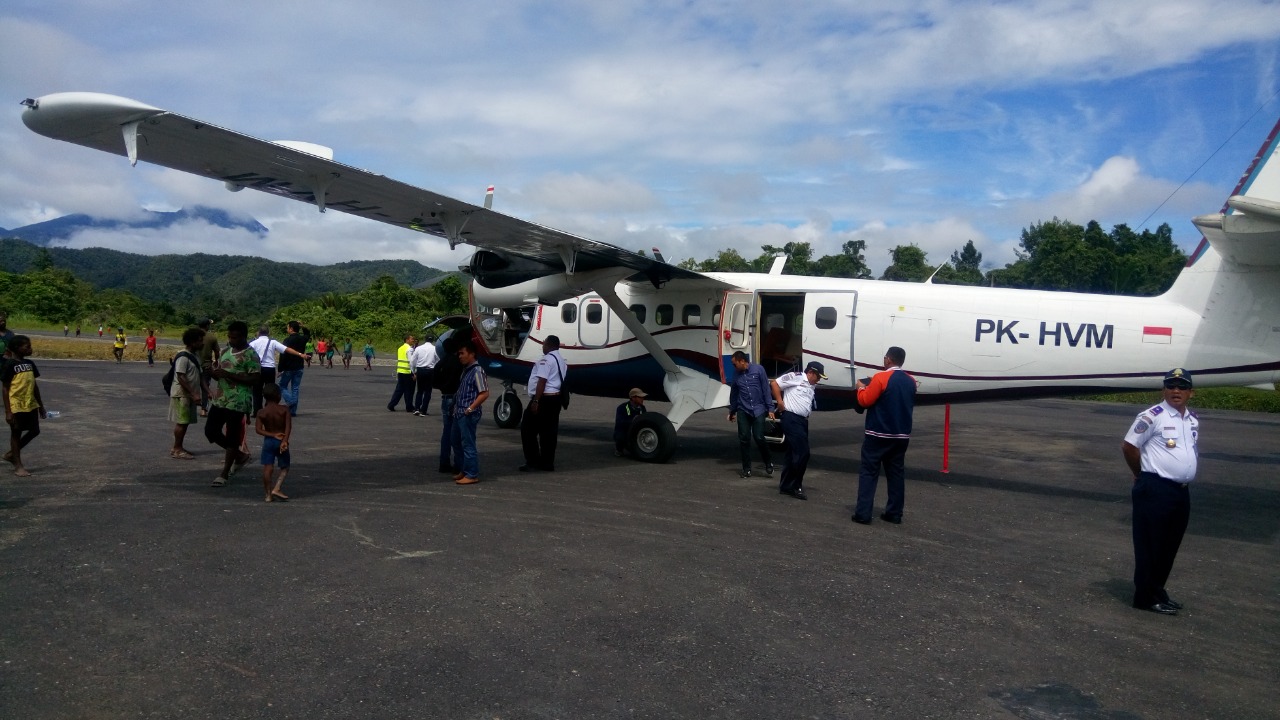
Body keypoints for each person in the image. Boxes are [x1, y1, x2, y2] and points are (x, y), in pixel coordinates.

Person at [1122, 368, 1200, 616]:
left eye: (1182, 387)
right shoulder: (1152, 416)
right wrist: (1141, 473)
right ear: (1163, 390)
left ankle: (1157, 591)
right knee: (1150, 545)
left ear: (1191, 392)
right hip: (1155, 488)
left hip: (1180, 492)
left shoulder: (1192, 419)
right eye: (1171, 386)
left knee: (1169, 546)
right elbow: (1129, 446)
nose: (1176, 391)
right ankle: (1144, 597)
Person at [852, 346, 916, 525]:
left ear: (888, 359)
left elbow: (865, 400)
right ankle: (894, 513)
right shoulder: (911, 381)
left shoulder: (881, 377)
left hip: (878, 434)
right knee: (896, 474)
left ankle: (863, 513)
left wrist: (860, 388)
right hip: (901, 436)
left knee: (869, 473)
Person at [205, 320, 261, 487]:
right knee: (210, 431)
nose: (231, 340)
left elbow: (256, 378)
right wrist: (213, 373)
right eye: (229, 337)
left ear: (243, 336)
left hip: (238, 401)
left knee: (232, 436)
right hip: (221, 398)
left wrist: (229, 375)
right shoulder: (225, 351)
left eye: (234, 337)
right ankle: (239, 455)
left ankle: (224, 473)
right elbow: (221, 374)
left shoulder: (251, 355)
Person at [770, 361, 826, 500]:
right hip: (791, 418)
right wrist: (780, 401)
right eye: (818, 376)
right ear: (811, 372)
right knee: (803, 453)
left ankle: (786, 485)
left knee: (792, 453)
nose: (818, 380)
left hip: (802, 421)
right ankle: (795, 486)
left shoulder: (811, 384)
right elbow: (775, 384)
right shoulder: (796, 376)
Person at [520, 335, 568, 472]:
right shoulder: (561, 360)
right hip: (556, 399)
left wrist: (536, 401)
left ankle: (532, 460)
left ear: (549, 345)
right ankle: (547, 463)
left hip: (544, 399)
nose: (543, 346)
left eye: (544, 344)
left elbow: (542, 381)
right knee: (549, 432)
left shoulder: (546, 360)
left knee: (527, 429)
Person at [727, 350, 775, 478]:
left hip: (758, 409)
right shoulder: (736, 375)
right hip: (743, 409)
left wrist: (770, 408)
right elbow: (734, 394)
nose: (733, 367)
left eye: (734, 364)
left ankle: (768, 462)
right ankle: (746, 468)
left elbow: (766, 389)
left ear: (742, 361)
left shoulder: (759, 370)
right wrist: (732, 411)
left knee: (759, 436)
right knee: (744, 439)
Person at [2, 335, 44, 477]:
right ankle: (18, 465)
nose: (30, 348)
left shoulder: (30, 364)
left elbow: (34, 385)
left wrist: (41, 406)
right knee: (16, 433)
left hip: (30, 403)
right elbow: (5, 388)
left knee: (35, 430)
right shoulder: (10, 365)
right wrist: (8, 411)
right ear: (16, 348)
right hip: (16, 404)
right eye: (27, 346)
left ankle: (11, 454)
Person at [452, 339, 489, 485]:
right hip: (459, 412)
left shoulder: (477, 371)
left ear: (472, 354)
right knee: (456, 441)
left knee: (468, 444)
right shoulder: (467, 370)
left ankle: (472, 474)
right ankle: (464, 469)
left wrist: (470, 408)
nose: (460, 356)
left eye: (462, 353)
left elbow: (484, 393)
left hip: (467, 414)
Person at [249, 324, 305, 418]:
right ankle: (269, 410)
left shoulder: (253, 343)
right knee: (270, 390)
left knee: (257, 391)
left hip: (257, 369)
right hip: (270, 369)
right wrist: (300, 354)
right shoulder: (272, 342)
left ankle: (257, 411)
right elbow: (287, 349)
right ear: (268, 333)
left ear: (259, 333)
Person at [169, 327, 205, 460]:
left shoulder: (195, 356)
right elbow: (181, 377)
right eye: (200, 341)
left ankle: (178, 447)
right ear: (192, 342)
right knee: (182, 422)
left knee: (185, 422)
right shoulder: (183, 356)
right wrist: (194, 393)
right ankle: (177, 448)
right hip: (182, 394)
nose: (202, 343)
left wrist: (207, 391)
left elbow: (200, 376)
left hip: (189, 394)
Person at [256, 383, 293, 503]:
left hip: (269, 441)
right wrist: (284, 441)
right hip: (281, 439)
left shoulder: (262, 412)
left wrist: (272, 434)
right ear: (278, 395)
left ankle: (267, 494)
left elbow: (258, 430)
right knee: (285, 467)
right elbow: (288, 427)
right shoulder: (284, 410)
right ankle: (277, 488)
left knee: (268, 467)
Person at [434, 334, 464, 474]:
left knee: (446, 431)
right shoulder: (457, 362)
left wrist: (441, 385)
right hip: (455, 398)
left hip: (445, 396)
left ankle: (444, 462)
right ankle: (459, 464)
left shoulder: (442, 362)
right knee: (456, 432)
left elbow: (433, 376)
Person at [277, 321, 310, 417]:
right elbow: (307, 334)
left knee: (282, 386)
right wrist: (303, 326)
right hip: (299, 366)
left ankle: (291, 402)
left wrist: (280, 368)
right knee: (295, 388)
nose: (287, 329)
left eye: (288, 327)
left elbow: (283, 354)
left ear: (291, 329)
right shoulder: (302, 339)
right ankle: (293, 411)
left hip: (289, 367)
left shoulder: (287, 340)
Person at [613, 388, 647, 457]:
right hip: (625, 431)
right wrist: (633, 420)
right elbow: (620, 423)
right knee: (620, 435)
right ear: (633, 398)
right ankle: (619, 449)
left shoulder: (642, 408)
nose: (642, 399)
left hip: (636, 432)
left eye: (643, 397)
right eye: (640, 397)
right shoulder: (622, 408)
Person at [411, 334, 439, 416]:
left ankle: (417, 408)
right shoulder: (435, 349)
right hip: (430, 370)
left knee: (420, 390)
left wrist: (413, 371)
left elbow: (412, 361)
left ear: (425, 339)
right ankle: (424, 409)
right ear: (432, 340)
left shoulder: (419, 348)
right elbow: (438, 359)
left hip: (420, 370)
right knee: (428, 391)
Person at [388, 334, 416, 413]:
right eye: (412, 339)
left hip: (400, 371)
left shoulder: (400, 348)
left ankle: (392, 404)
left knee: (399, 390)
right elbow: (411, 362)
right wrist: (414, 373)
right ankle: (409, 406)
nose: (413, 340)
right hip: (407, 372)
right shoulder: (409, 349)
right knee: (409, 390)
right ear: (407, 340)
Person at [197, 319, 219, 416]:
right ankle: (204, 409)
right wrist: (216, 361)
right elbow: (217, 352)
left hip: (194, 365)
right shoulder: (211, 337)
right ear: (206, 326)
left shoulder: (194, 336)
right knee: (205, 387)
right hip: (206, 365)